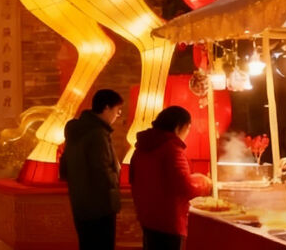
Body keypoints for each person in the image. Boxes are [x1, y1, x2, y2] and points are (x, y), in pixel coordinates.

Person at [129, 105, 212, 250]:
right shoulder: (172, 149)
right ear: (179, 127)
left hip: (147, 217)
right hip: (169, 221)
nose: (187, 133)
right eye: (188, 128)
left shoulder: (140, 148)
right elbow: (184, 187)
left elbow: (134, 179)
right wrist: (204, 182)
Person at [62, 89, 124, 250]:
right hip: (100, 205)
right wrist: (116, 179)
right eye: (117, 110)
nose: (118, 115)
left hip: (80, 203)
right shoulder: (98, 134)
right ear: (106, 108)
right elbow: (102, 170)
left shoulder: (77, 131)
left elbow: (64, 168)